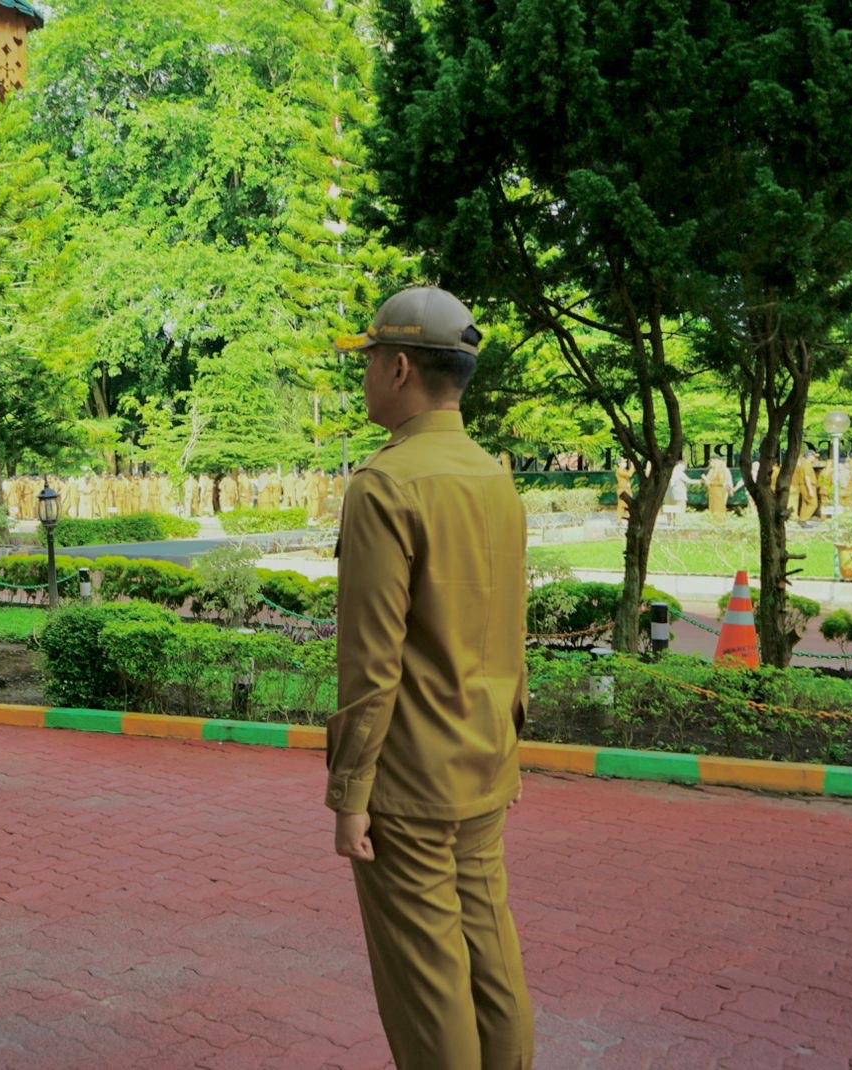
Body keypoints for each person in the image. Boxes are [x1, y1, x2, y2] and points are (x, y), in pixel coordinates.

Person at [329, 286, 533, 1068]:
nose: (367, 374)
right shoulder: (494, 477)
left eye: (371, 359)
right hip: (485, 758)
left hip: (410, 777)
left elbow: (371, 662)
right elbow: (510, 631)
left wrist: (351, 794)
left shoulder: (386, 485)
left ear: (401, 367)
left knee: (428, 980)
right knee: (491, 960)